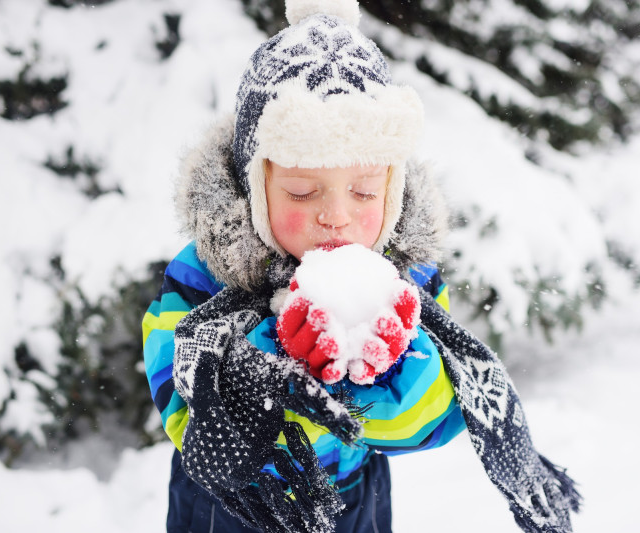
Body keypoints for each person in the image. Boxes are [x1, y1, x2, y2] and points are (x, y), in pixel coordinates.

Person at [142, 1, 581, 532]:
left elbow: (429, 424)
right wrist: (280, 363)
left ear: (392, 192)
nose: (336, 216)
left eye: (365, 191)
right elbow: (182, 409)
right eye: (303, 192)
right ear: (256, 187)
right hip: (231, 506)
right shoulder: (203, 276)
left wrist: (387, 367)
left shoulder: (407, 280)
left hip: (354, 501)